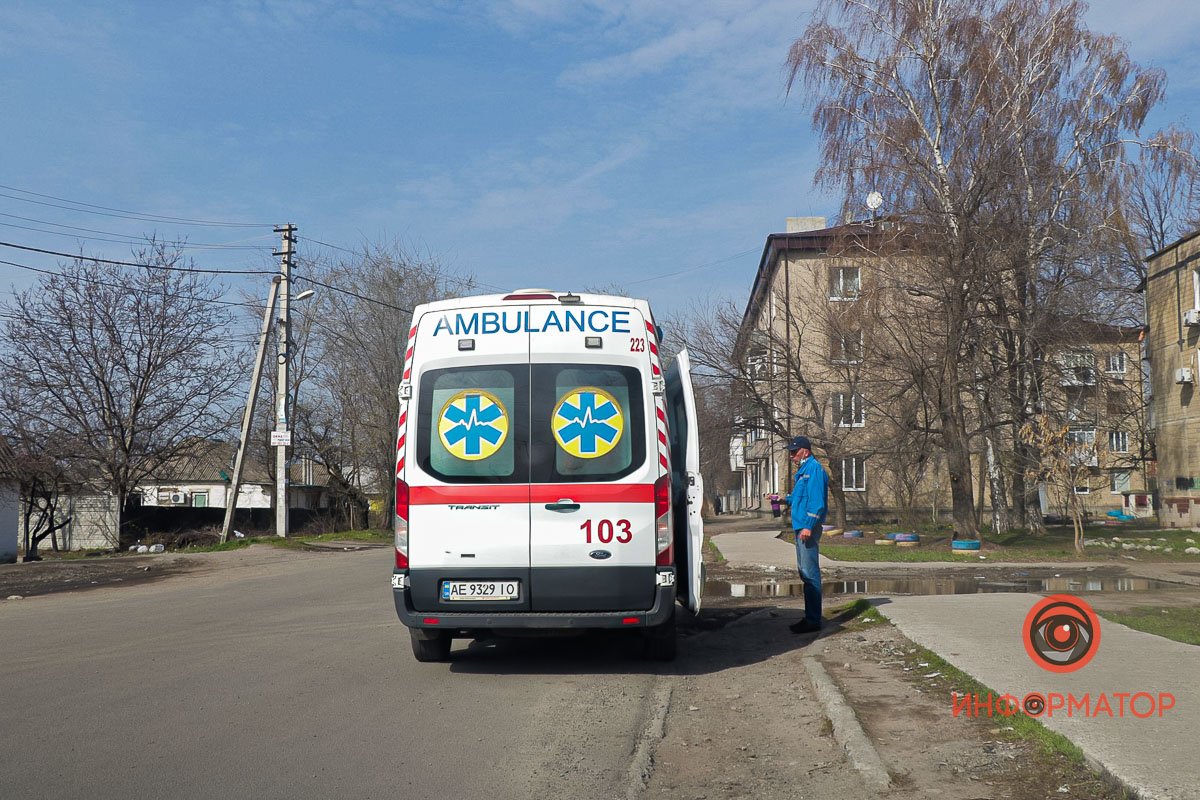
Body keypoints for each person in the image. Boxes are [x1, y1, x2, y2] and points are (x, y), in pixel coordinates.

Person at [785, 436, 828, 634]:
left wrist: (809, 526)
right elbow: (798, 498)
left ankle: (813, 620)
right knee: (804, 573)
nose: (792, 456)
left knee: (810, 573)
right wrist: (781, 499)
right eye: (791, 453)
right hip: (800, 526)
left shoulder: (814, 470)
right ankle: (810, 617)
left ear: (805, 451)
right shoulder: (803, 472)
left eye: (794, 452)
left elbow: (817, 502)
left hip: (806, 529)